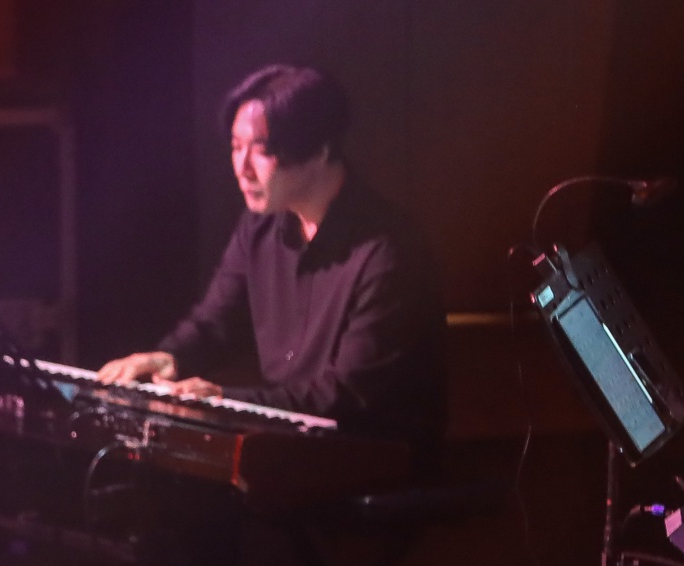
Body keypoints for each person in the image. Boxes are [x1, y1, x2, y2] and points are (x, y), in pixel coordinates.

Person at [96, 62, 446, 456]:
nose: (242, 168)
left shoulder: (389, 251)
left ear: (321, 150)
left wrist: (224, 401)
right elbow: (215, 324)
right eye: (235, 147)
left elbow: (347, 394)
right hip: (293, 450)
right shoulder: (259, 228)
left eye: (262, 150)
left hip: (375, 459)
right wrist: (167, 358)